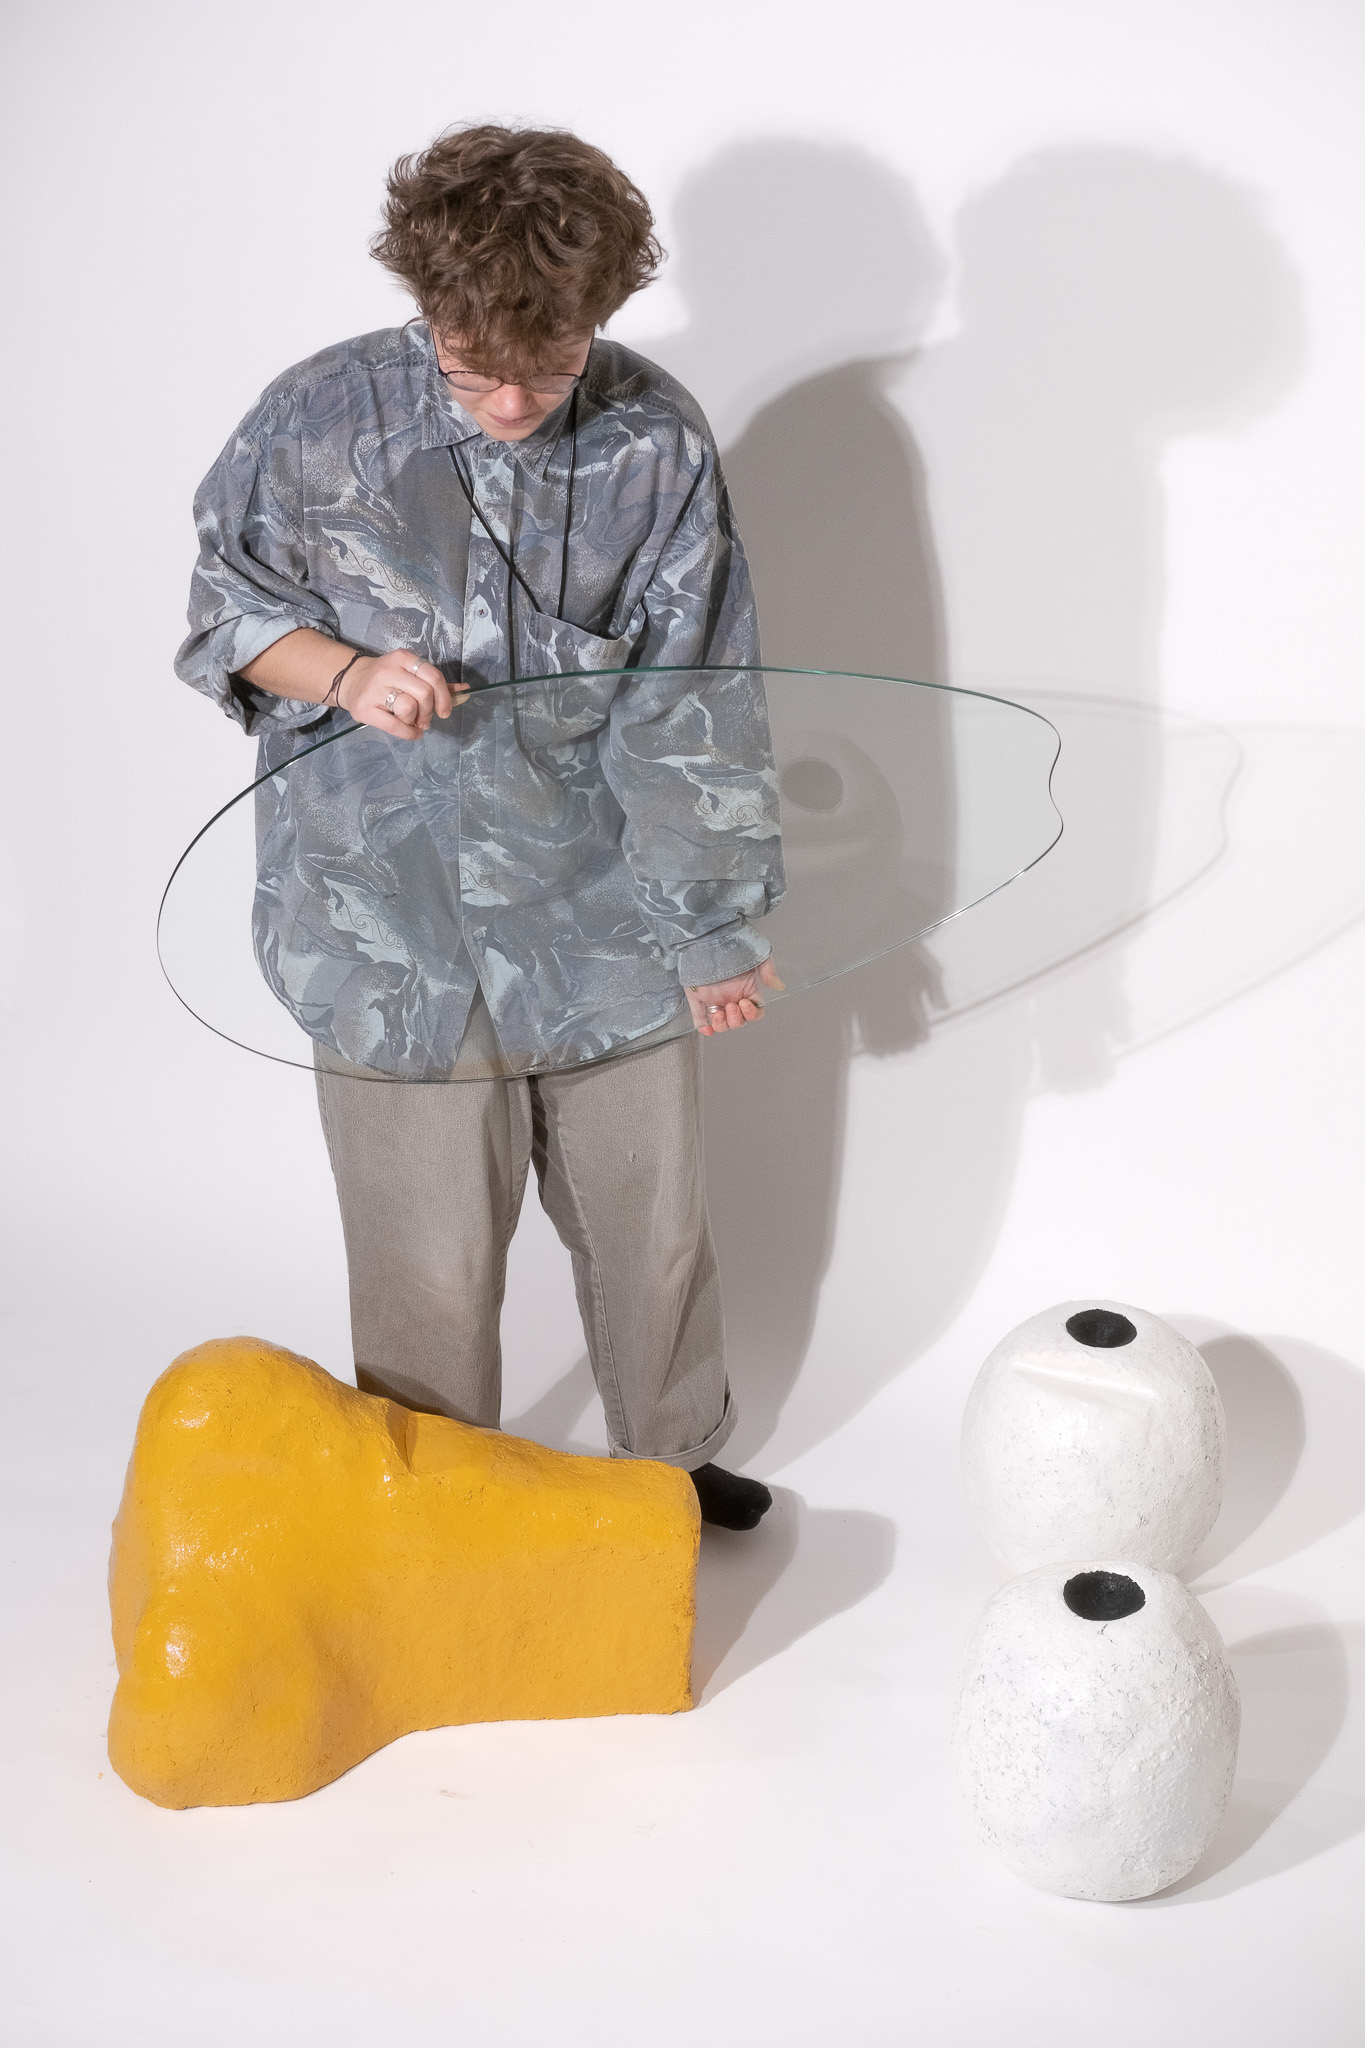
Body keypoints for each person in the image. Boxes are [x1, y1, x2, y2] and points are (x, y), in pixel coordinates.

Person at [175, 125, 784, 1530]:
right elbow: (224, 616)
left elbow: (692, 691)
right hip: (378, 918)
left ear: (603, 318)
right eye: (470, 363)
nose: (511, 401)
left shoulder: (653, 442)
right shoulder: (312, 419)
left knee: (652, 1220)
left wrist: (713, 921)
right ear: (421, 303)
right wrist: (341, 672)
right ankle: (432, 1498)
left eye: (552, 364)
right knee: (426, 1256)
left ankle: (671, 1464)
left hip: (602, 909)